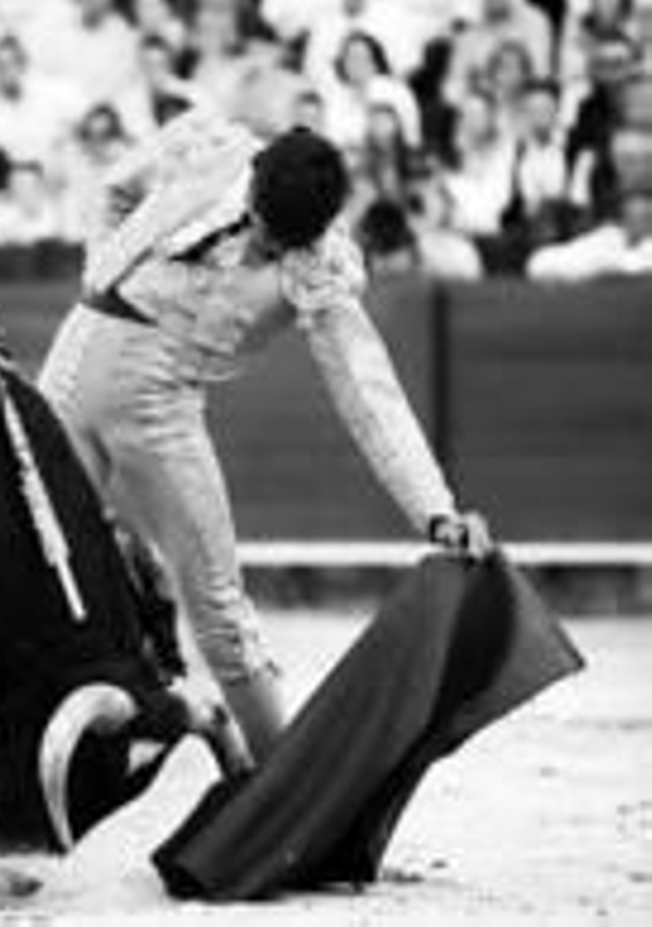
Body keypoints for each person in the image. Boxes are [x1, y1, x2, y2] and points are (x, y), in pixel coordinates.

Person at [37, 108, 492, 762]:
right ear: (252, 178)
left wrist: (435, 511)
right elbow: (115, 189)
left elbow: (368, 392)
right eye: (263, 226)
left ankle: (274, 779)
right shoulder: (207, 144)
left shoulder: (319, 266)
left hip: (158, 401)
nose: (264, 246)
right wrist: (102, 272)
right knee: (38, 571)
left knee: (219, 611)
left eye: (280, 243)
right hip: (73, 360)